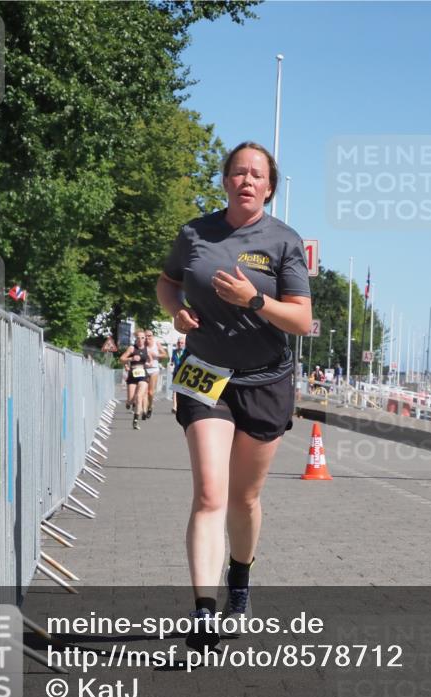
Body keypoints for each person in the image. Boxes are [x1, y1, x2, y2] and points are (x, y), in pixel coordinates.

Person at [156, 141, 312, 649]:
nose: (246, 180)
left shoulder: (283, 242)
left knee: (243, 500)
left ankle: (239, 581)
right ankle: (204, 610)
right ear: (224, 181)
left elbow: (302, 320)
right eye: (238, 172)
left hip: (266, 380)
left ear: (269, 187)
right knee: (209, 494)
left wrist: (255, 299)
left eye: (257, 175)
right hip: (206, 374)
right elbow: (166, 282)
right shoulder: (195, 233)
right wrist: (175, 311)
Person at [119, 331, 152, 430]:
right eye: (138, 338)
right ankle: (129, 403)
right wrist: (131, 358)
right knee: (131, 399)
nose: (140, 340)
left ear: (145, 339)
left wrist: (148, 364)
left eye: (142, 338)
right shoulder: (132, 348)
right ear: (135, 339)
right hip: (132, 375)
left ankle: (135, 421)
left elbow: (150, 361)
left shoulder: (147, 350)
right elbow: (122, 359)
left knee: (139, 397)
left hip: (143, 375)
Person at [143, 330, 167, 419]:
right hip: (144, 369)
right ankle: (144, 410)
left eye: (149, 336)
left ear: (152, 336)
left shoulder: (156, 343)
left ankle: (150, 407)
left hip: (154, 369)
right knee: (144, 391)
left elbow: (165, 355)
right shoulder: (142, 344)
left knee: (150, 392)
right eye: (146, 336)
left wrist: (155, 354)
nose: (147, 337)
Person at [170, 336, 187, 413]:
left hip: (184, 373)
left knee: (184, 390)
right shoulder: (174, 351)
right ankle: (174, 407)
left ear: (185, 344)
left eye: (182, 343)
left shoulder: (187, 351)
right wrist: (171, 366)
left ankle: (183, 406)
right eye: (179, 343)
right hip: (176, 372)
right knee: (175, 390)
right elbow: (172, 362)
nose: (180, 344)